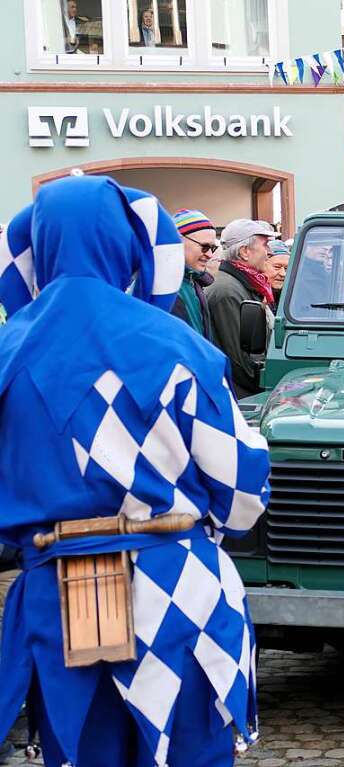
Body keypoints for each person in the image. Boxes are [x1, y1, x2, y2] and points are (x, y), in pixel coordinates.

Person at [0, 175, 270, 766]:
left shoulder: (8, 352)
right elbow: (242, 487)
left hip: (54, 589)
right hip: (176, 580)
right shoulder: (175, 344)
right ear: (130, 246)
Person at [207, 218, 276, 399]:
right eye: (265, 245)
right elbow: (239, 361)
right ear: (245, 252)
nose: (269, 252)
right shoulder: (227, 291)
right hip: (241, 397)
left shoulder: (243, 285)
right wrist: (265, 385)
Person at [170, 209, 217, 340]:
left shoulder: (193, 281)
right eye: (205, 247)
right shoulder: (161, 287)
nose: (210, 255)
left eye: (213, 248)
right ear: (177, 240)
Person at [263, 239, 290, 306]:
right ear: (262, 266)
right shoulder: (251, 295)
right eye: (277, 267)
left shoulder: (291, 297)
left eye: (286, 268)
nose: (283, 274)